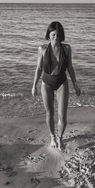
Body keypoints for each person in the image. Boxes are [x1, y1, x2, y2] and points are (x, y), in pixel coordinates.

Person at [32, 21, 81, 150]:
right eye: (53, 35)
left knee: (62, 116)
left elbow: (70, 67)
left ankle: (60, 138)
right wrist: (34, 85)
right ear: (48, 35)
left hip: (61, 82)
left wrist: (75, 84)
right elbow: (38, 68)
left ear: (62, 36)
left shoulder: (66, 48)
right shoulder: (42, 49)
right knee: (49, 113)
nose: (56, 38)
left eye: (58, 35)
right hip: (46, 83)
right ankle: (52, 136)